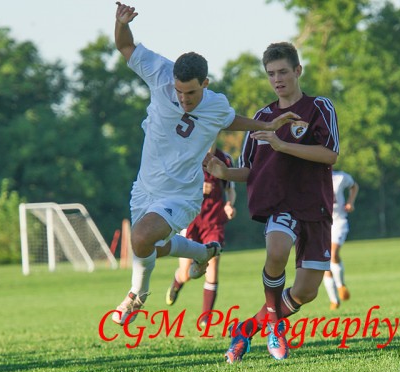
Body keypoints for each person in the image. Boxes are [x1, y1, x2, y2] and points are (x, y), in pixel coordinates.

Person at [111, 3, 299, 327]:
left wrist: (266, 126)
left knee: (142, 238)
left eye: (192, 93)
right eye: (180, 92)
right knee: (148, 245)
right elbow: (125, 46)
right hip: (144, 189)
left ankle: (136, 295)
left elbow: (233, 121)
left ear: (206, 83)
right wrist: (121, 22)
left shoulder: (215, 105)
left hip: (182, 196)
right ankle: (201, 253)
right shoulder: (159, 72)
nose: (184, 99)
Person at [205, 42, 339, 362]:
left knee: (306, 292)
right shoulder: (262, 117)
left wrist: (282, 145)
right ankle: (275, 327)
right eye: (270, 74)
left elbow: (330, 154)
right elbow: (250, 171)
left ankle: (247, 328)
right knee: (276, 251)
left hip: (316, 207)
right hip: (280, 204)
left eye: (282, 72)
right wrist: (224, 172)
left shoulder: (319, 107)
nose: (277, 79)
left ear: (297, 71)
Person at [165, 143, 237, 328]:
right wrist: (196, 189)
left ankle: (206, 318)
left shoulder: (225, 159)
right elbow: (173, 188)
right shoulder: (187, 157)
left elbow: (230, 189)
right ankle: (178, 281)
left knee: (212, 265)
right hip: (190, 220)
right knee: (187, 273)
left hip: (214, 222)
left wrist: (229, 204)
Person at [323, 170, 359, 310]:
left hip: (339, 221)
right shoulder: (311, 178)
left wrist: (350, 201)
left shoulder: (341, 177)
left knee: (333, 253)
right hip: (321, 224)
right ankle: (334, 300)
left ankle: (340, 285)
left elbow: (354, 186)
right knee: (324, 262)